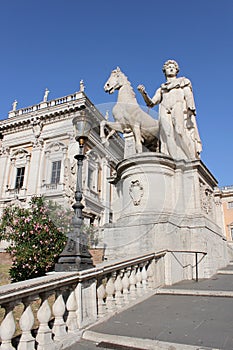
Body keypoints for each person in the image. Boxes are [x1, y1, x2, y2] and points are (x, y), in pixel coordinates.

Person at [137, 60, 202, 159]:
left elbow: (189, 97)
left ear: (176, 71)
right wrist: (143, 93)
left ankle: (190, 158)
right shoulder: (161, 89)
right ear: (164, 71)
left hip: (178, 106)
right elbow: (151, 103)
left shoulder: (183, 82)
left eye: (173, 67)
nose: (171, 68)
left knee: (179, 131)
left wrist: (191, 110)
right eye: (168, 67)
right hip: (164, 108)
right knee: (167, 136)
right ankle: (173, 160)